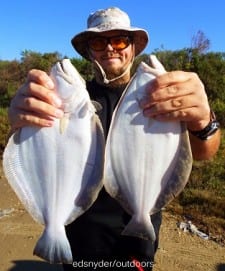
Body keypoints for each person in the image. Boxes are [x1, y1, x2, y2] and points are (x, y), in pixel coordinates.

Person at [8, 7, 220, 271]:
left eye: (119, 40)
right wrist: (20, 123)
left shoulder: (165, 98)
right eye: (98, 41)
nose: (110, 48)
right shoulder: (74, 98)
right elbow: (40, 148)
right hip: (79, 237)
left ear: (133, 47)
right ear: (89, 51)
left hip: (134, 241)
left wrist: (203, 121)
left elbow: (202, 152)